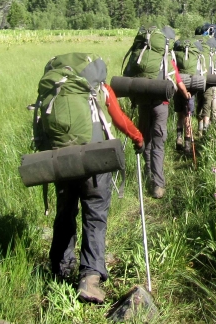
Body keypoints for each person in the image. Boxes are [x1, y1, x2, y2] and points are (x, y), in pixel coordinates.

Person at [49, 80, 144, 305]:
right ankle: (89, 279)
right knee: (95, 216)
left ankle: (60, 270)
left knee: (65, 213)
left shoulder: (56, 87)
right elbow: (119, 118)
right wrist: (138, 137)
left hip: (61, 161)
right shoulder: (99, 87)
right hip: (94, 163)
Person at [137, 56, 191, 199]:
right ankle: (158, 185)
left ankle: (148, 174)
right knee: (158, 144)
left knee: (145, 139)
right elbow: (178, 81)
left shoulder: (141, 58)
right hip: (161, 105)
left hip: (143, 104)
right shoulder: (167, 60)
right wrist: (186, 95)